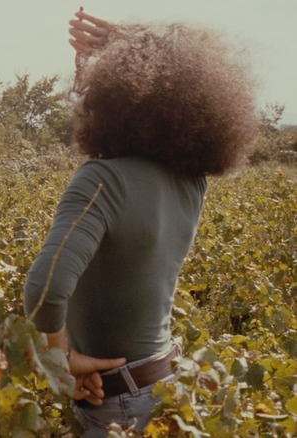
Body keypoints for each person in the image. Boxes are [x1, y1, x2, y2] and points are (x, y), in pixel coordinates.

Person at [23, 9, 257, 437]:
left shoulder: (102, 180)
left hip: (117, 402)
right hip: (165, 383)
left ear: (114, 94)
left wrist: (60, 359)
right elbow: (176, 70)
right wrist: (127, 42)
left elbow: (44, 290)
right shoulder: (192, 182)